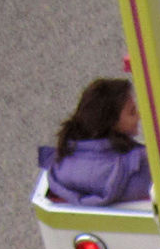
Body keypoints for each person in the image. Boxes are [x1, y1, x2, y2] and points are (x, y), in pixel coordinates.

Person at [39, 78, 151, 206]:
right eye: (132, 112)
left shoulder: (65, 161)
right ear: (112, 123)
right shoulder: (138, 172)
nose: (138, 116)